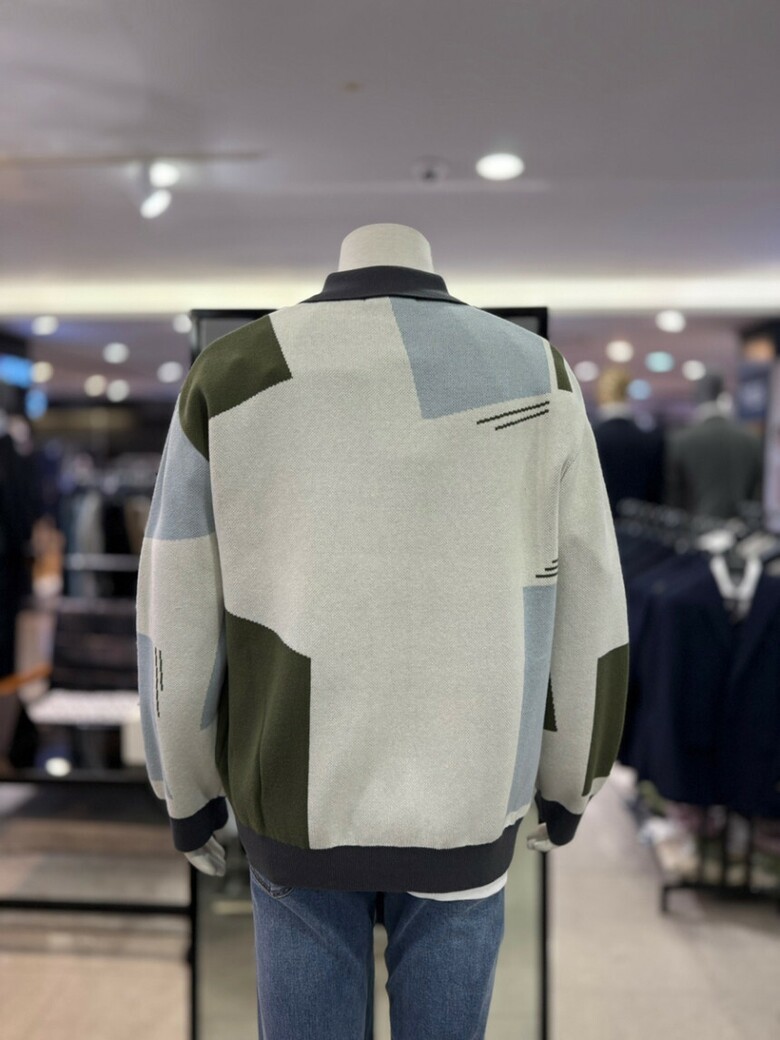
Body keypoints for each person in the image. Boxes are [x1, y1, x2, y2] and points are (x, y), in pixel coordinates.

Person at [136, 224, 629, 1039]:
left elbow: (176, 599)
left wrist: (184, 790)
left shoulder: (234, 371)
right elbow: (591, 598)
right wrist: (573, 777)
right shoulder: (532, 370)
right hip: (470, 789)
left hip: (294, 795)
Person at [665, 369, 763, 518]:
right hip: (740, 527)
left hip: (694, 527)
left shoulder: (680, 441)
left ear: (696, 395)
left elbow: (674, 497)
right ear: (722, 393)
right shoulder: (750, 440)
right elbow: (756, 494)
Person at [592, 367, 664, 517]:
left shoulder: (591, 438)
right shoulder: (650, 439)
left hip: (600, 526)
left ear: (602, 394)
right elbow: (657, 493)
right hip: (641, 525)